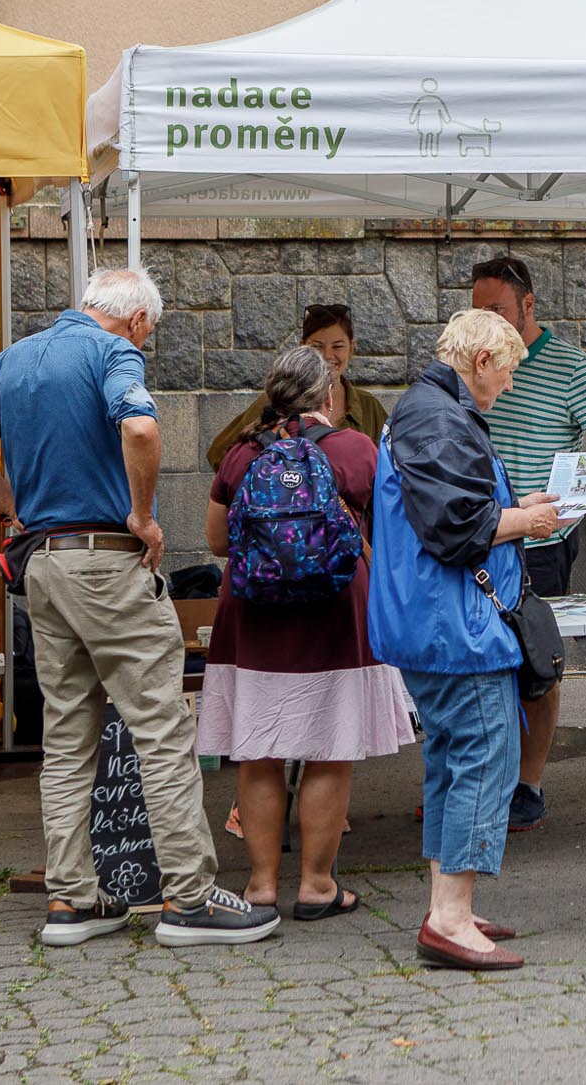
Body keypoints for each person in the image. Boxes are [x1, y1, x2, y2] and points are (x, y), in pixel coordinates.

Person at [0, 267, 277, 948]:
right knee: (161, 727)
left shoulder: (14, 358)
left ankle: (72, 900)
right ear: (138, 320)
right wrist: (144, 516)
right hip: (107, 561)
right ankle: (188, 899)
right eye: (151, 329)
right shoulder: (113, 351)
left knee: (64, 739)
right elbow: (142, 429)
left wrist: (12, 504)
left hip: (44, 568)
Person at [366, 308, 572, 971]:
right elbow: (458, 526)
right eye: (508, 372)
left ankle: (447, 907)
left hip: (440, 622)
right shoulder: (436, 414)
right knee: (486, 758)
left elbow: (454, 509)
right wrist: (529, 518)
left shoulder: (425, 409)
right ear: (481, 361)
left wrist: (521, 505)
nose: (509, 386)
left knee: (455, 761)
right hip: (456, 626)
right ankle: (450, 918)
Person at [197, 345, 416, 921]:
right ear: (327, 396)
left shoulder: (241, 455)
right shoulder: (355, 449)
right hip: (334, 614)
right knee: (328, 751)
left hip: (252, 618)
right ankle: (318, 886)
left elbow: (218, 542)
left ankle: (261, 887)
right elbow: (396, 531)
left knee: (258, 753)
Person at [470, 254, 586, 831]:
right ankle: (478, 781)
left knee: (537, 666)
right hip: (479, 539)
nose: (487, 322)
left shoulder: (570, 367)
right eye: (478, 312)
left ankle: (528, 784)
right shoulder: (473, 364)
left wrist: (572, 506)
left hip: (539, 547)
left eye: (496, 310)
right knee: (477, 667)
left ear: (528, 305)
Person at [205, 302, 389, 471]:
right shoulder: (278, 401)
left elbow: (392, 469)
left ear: (352, 348)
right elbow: (220, 455)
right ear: (301, 347)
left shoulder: (369, 407)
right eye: (317, 346)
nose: (327, 355)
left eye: (338, 346)